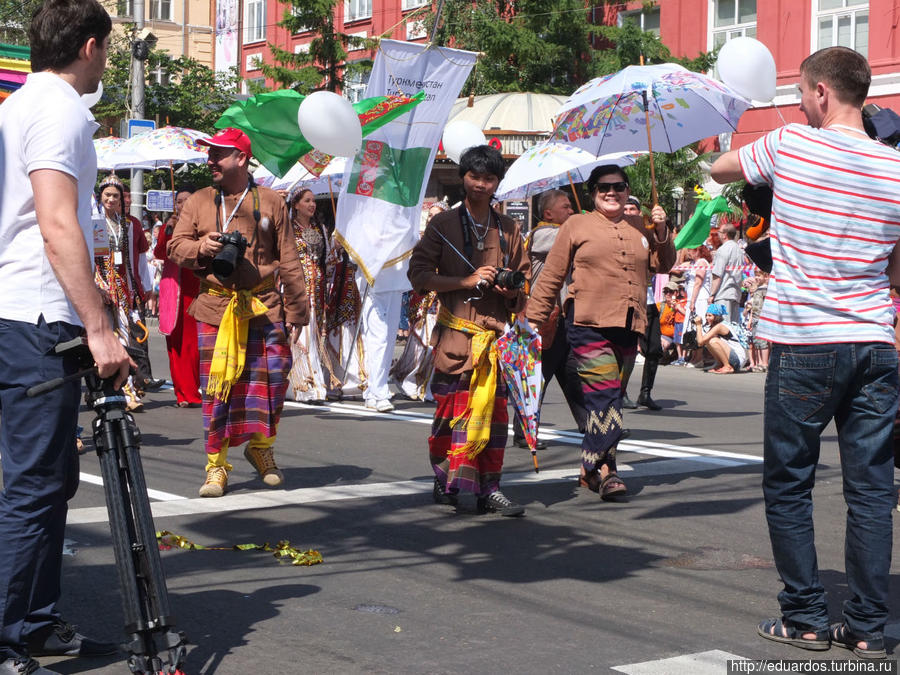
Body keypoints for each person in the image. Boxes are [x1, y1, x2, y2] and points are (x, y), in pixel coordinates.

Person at [711, 46, 900, 659]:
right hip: (874, 340)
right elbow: (897, 272)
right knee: (871, 491)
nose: (799, 105)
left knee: (789, 483)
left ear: (821, 92)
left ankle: (806, 618)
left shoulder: (791, 144)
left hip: (803, 343)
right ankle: (869, 627)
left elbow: (721, 169)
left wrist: (715, 141)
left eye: (801, 95)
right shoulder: (896, 168)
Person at [0, 2, 131, 674]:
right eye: (106, 50)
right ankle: (8, 636)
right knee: (33, 484)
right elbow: (56, 222)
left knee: (47, 481)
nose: (106, 62)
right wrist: (99, 325)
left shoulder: (20, 105)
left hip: (20, 311)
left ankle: (36, 623)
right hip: (36, 317)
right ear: (88, 46)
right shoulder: (60, 110)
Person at [168, 128, 308, 498]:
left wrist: (297, 311)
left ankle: (261, 449)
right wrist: (202, 246)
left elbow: (289, 258)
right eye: (210, 154)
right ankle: (216, 466)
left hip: (265, 307)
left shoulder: (272, 201)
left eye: (219, 154)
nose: (210, 160)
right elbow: (174, 247)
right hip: (216, 307)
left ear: (242, 158)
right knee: (218, 390)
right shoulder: (198, 200)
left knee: (274, 382)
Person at [525, 165, 674, 500]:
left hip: (628, 324)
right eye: (604, 187)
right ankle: (607, 471)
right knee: (607, 400)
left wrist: (662, 230)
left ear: (627, 190)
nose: (612, 192)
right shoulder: (576, 224)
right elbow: (552, 273)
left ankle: (591, 469)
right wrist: (533, 319)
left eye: (619, 186)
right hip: (587, 323)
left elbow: (663, 264)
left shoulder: (641, 225)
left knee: (606, 403)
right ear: (592, 192)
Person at [408, 145, 529, 517]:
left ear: (497, 184)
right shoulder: (442, 225)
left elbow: (522, 288)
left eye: (489, 178)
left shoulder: (509, 229)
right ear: (463, 178)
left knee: (494, 420)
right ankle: (445, 477)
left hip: (495, 341)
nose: (480, 184)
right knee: (449, 416)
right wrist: (465, 279)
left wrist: (511, 291)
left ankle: (489, 488)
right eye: (474, 176)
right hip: (455, 339)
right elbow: (418, 276)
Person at [512, 188, 587, 448]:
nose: (571, 211)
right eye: (565, 207)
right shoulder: (544, 234)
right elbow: (578, 241)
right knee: (538, 375)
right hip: (544, 319)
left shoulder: (564, 231)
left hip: (563, 317)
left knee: (572, 374)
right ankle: (524, 431)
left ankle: (589, 425)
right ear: (548, 213)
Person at [154, 186, 202, 408]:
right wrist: (169, 230)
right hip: (173, 287)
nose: (183, 204)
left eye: (187, 200)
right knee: (174, 342)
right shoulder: (168, 227)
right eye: (179, 201)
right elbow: (159, 253)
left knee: (192, 342)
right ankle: (182, 393)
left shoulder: (201, 227)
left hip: (195, 288)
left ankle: (192, 391)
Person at [619, 196, 667, 411]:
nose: (628, 212)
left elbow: (661, 259)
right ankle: (620, 392)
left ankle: (645, 392)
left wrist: (660, 228)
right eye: (625, 208)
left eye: (632, 209)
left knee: (654, 348)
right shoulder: (616, 232)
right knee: (624, 349)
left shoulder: (645, 233)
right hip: (625, 299)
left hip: (647, 298)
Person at [286, 187, 333, 403]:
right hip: (296, 289)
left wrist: (336, 249)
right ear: (295, 204)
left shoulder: (320, 228)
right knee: (300, 334)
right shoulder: (287, 230)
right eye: (307, 201)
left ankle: (315, 384)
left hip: (317, 289)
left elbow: (326, 260)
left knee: (313, 334)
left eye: (313, 201)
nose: (312, 204)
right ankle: (300, 384)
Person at [690, 304, 748, 374]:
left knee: (713, 341)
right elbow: (701, 341)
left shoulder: (720, 326)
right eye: (706, 315)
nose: (707, 318)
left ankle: (727, 366)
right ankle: (720, 365)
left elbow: (700, 342)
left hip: (738, 359)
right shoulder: (715, 326)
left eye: (710, 316)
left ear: (716, 316)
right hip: (733, 357)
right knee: (708, 341)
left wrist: (699, 325)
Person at [708, 222, 746, 323]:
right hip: (735, 294)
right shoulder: (739, 250)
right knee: (733, 328)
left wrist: (712, 294)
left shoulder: (723, 249)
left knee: (722, 326)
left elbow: (717, 274)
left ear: (724, 234)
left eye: (719, 232)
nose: (718, 234)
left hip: (723, 294)